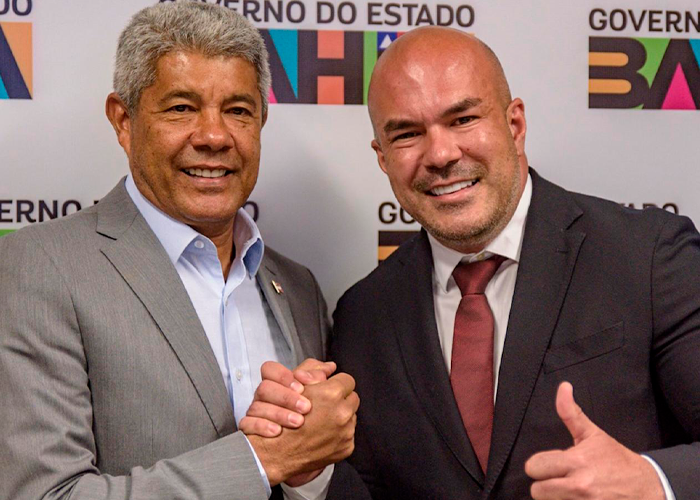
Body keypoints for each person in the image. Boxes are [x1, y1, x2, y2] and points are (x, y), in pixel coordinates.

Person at [246, 27, 700, 499]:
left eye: (463, 119)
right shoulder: (365, 313)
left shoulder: (649, 256)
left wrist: (654, 481)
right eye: (407, 134)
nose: (441, 155)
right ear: (382, 157)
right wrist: (310, 470)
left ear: (515, 125)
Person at [0, 3, 361, 499]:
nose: (214, 136)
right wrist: (265, 460)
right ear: (123, 120)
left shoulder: (296, 286)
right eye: (181, 108)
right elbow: (46, 494)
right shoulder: (41, 268)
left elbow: (308, 469)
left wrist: (309, 469)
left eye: (238, 111)